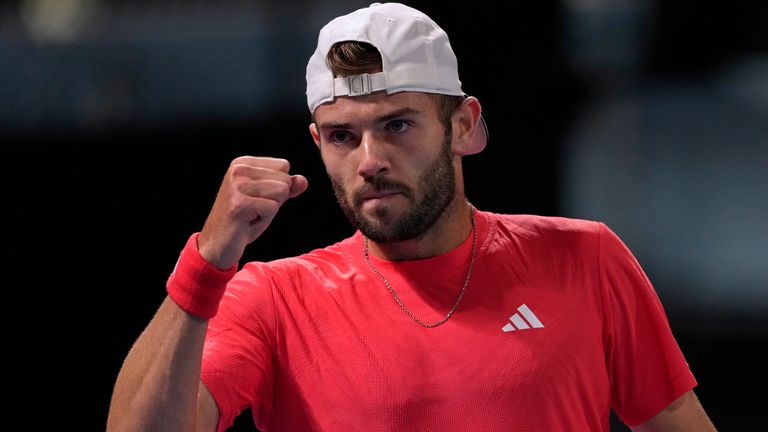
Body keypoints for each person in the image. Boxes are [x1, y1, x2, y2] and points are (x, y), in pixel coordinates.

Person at [107, 3, 717, 431]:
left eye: (397, 124)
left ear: (463, 125)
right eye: (343, 135)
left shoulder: (586, 259)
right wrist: (206, 265)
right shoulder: (272, 299)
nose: (370, 161)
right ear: (317, 143)